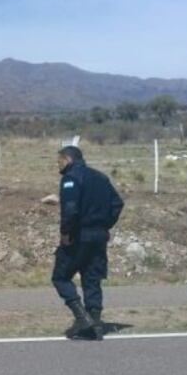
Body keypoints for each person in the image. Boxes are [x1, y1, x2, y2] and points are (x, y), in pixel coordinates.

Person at [52, 145, 125, 341]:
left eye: (59, 160)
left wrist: (66, 232)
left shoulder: (71, 178)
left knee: (60, 277)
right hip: (99, 237)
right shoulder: (101, 177)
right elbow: (117, 203)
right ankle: (96, 325)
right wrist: (105, 225)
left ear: (68, 159)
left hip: (79, 236)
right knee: (92, 278)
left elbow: (70, 209)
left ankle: (82, 318)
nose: (58, 165)